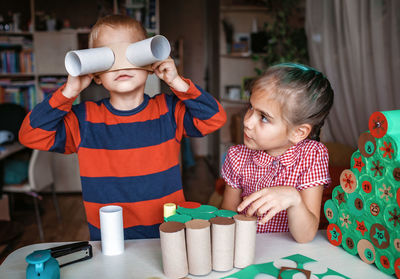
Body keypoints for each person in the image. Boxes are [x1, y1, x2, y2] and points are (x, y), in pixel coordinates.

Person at [19, 15, 226, 240]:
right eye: (109, 58)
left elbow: (214, 119)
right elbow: (31, 136)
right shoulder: (84, 120)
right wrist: (68, 92)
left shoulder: (168, 111)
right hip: (109, 238)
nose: (121, 65)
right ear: (96, 72)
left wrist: (177, 82)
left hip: (167, 233)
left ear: (149, 63)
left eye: (131, 54)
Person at [221, 63, 334, 243]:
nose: (247, 122)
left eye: (264, 117)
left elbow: (306, 236)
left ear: (298, 133)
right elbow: (226, 221)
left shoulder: (313, 156)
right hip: (246, 249)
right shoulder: (236, 156)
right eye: (250, 107)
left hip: (290, 255)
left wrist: (294, 199)